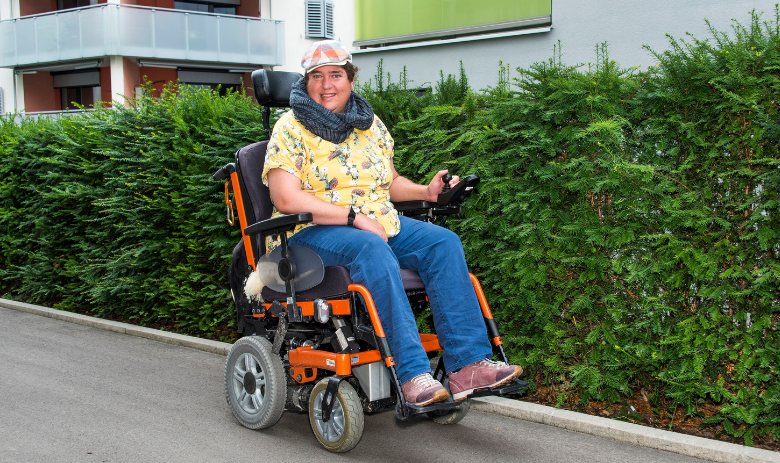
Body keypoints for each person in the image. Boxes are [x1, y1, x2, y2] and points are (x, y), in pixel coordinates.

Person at [262, 40, 522, 406]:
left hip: (375, 222)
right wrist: (353, 217)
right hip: (309, 233)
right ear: (305, 83)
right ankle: (413, 373)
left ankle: (466, 367)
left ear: (350, 80)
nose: (326, 85)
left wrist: (427, 192)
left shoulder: (369, 124)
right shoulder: (290, 128)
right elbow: (285, 198)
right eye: (317, 76)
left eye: (336, 75)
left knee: (443, 243)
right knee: (370, 248)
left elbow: (389, 182)